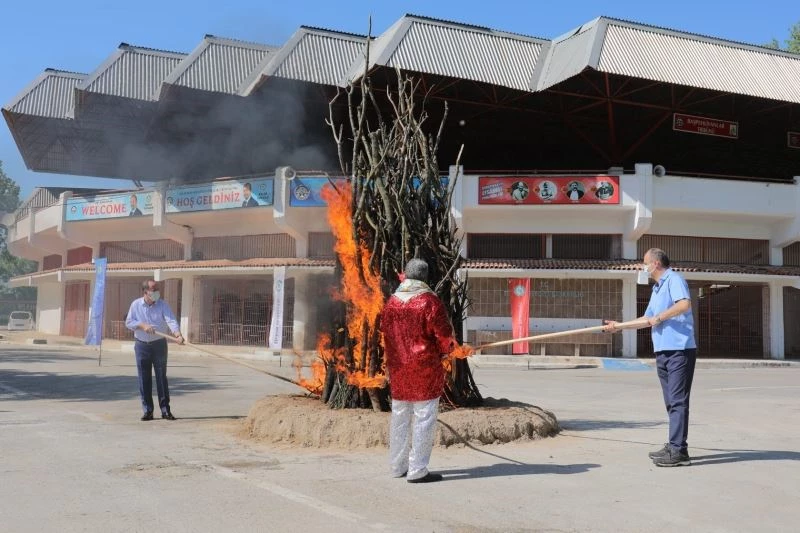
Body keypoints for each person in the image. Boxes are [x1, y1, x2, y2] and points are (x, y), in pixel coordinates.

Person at [605, 248, 696, 467]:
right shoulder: (657, 289)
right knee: (670, 402)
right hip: (663, 351)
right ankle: (676, 445)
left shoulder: (674, 279)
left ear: (655, 264)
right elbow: (647, 319)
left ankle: (678, 452)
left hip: (679, 350)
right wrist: (618, 327)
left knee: (678, 402)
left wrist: (661, 317)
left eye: (644, 263)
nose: (642, 267)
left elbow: (684, 304)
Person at [381, 259, 455, 483]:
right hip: (424, 369)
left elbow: (385, 335)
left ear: (406, 275)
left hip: (398, 369)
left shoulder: (391, 303)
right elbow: (443, 337)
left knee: (400, 416)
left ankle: (397, 466)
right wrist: (452, 349)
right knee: (424, 417)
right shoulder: (429, 302)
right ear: (425, 277)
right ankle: (417, 470)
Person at [125, 280, 184, 421]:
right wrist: (141, 325)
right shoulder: (136, 304)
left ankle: (165, 410)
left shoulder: (162, 304)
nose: (157, 292)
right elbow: (128, 322)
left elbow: (171, 320)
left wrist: (177, 334)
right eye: (153, 289)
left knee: (161, 378)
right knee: (144, 379)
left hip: (159, 345)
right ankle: (148, 411)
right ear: (145, 292)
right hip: (141, 345)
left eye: (157, 289)